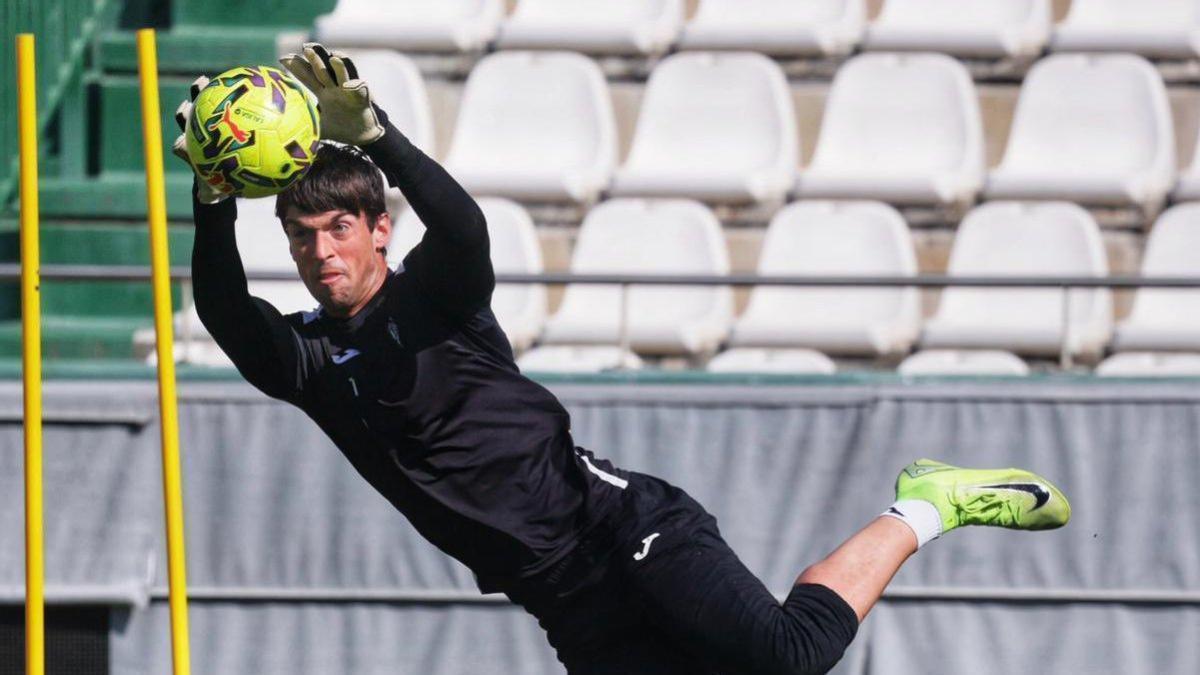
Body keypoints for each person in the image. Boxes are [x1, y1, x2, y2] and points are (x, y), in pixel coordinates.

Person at [173, 44, 1071, 675]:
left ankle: (928, 501)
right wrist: (212, 198)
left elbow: (465, 226)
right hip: (559, 599)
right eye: (302, 236)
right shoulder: (312, 362)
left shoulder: (434, 293)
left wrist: (379, 138)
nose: (323, 250)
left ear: (379, 229)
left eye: (341, 228)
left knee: (788, 655)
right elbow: (222, 309)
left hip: (623, 531)